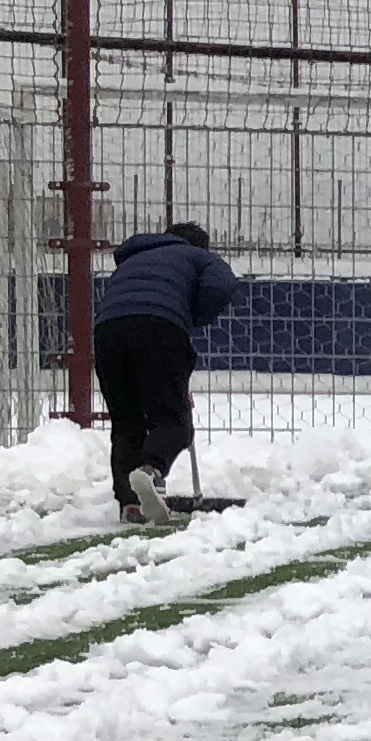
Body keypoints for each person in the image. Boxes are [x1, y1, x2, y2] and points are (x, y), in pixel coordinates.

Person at [95, 219, 241, 529]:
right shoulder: (198, 256)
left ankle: (131, 504)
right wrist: (192, 315)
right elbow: (222, 285)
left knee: (127, 422)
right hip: (160, 327)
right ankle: (151, 471)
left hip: (107, 331)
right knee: (173, 420)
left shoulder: (134, 257)